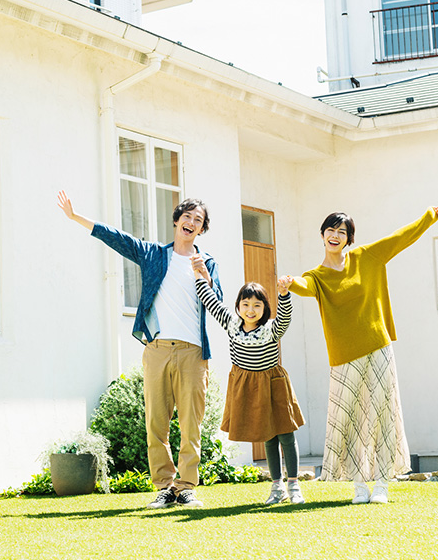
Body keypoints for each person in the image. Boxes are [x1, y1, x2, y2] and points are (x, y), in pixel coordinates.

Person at [57, 190, 222, 508]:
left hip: (193, 351)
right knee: (156, 423)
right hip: (157, 349)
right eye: (186, 216)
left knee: (191, 425)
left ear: (202, 229)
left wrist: (204, 275)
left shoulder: (207, 263)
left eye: (198, 220)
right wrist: (76, 217)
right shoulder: (154, 255)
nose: (191, 222)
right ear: (177, 221)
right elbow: (118, 238)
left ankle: (186, 487)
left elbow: (218, 301)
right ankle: (164, 487)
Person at [286, 206, 438, 505]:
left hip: (378, 346)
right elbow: (304, 286)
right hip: (344, 356)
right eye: (330, 230)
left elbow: (399, 238)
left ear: (349, 239)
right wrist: (289, 282)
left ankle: (381, 484)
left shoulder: (366, 257)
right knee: (350, 419)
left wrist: (427, 219)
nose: (335, 235)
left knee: (383, 415)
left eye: (341, 232)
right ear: (322, 235)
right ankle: (359, 485)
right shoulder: (317, 276)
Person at [191, 258, 306, 505]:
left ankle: (294, 485)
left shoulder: (271, 329)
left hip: (273, 384)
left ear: (265, 308)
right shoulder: (232, 325)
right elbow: (211, 302)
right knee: (268, 436)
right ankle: (277, 487)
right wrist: (200, 276)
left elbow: (284, 319)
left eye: (257, 305)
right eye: (245, 304)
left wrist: (284, 294)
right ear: (238, 307)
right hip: (248, 385)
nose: (250, 310)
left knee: (286, 434)